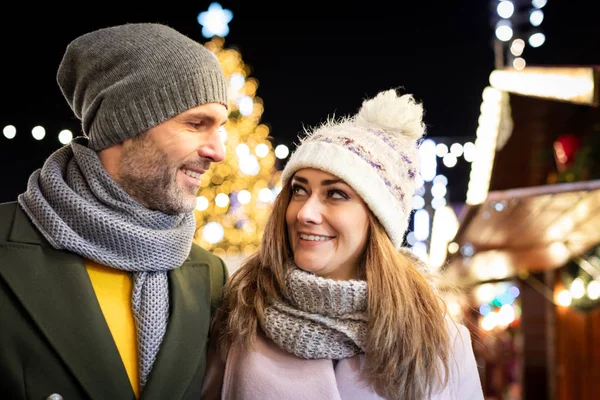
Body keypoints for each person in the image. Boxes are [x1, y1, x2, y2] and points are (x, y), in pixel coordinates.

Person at [205, 89, 484, 399]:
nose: (305, 213)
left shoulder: (438, 338)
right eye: (299, 190)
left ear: (378, 218)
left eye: (335, 194)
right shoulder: (239, 315)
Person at [0, 23, 230, 399]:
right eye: (196, 124)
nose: (218, 151)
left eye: (220, 127)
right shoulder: (7, 248)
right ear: (124, 125)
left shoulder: (210, 276)